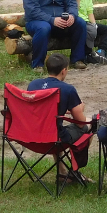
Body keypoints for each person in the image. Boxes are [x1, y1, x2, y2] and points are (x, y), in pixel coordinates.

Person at [28, 53, 93, 184]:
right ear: (64, 71)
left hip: (30, 137)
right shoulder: (67, 89)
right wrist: (80, 108)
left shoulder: (33, 85)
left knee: (54, 126)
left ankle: (62, 172)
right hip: (54, 139)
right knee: (91, 125)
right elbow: (81, 123)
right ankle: (74, 172)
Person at [23, 0, 88, 70]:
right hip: (37, 22)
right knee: (43, 28)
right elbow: (32, 10)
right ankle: (38, 64)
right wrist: (52, 20)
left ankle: (77, 59)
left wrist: (72, 15)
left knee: (80, 23)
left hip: (60, 21)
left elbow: (71, 2)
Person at [71, 0, 107, 65]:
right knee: (85, 29)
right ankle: (88, 55)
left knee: (106, 29)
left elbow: (90, 12)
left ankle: (101, 52)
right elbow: (74, 12)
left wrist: (94, 24)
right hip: (77, 22)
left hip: (87, 21)